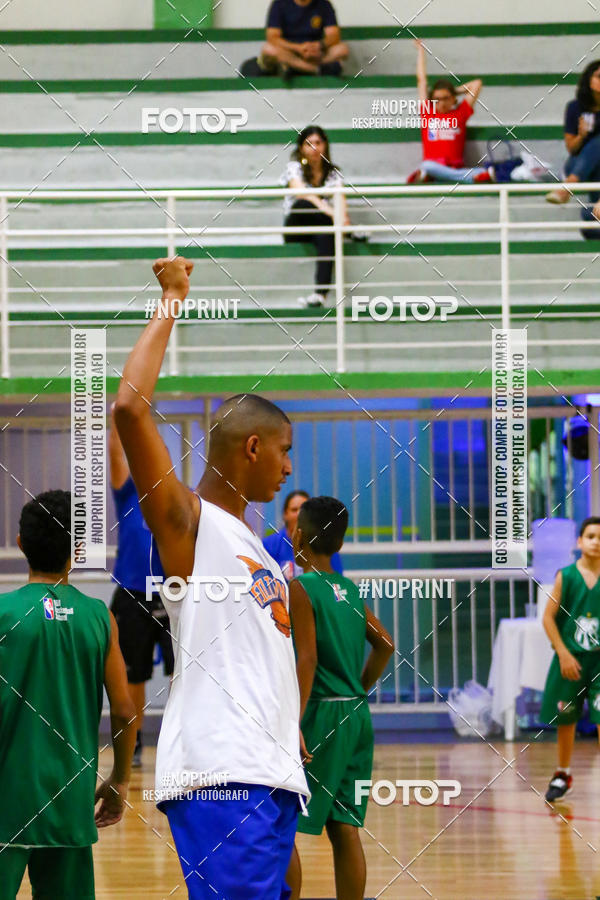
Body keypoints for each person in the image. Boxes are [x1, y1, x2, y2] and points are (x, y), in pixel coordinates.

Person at [113, 256, 310, 900]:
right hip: (226, 777)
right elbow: (130, 412)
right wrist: (172, 297)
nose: (288, 469)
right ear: (253, 447)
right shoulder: (190, 525)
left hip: (269, 773)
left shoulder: (252, 540)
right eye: (284, 451)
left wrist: (289, 738)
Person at [0, 490, 136, 900]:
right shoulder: (99, 616)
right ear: (76, 549)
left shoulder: (4, 613)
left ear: (22, 544)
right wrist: (120, 780)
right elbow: (126, 710)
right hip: (69, 800)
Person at [285, 496, 394, 900]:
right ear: (341, 545)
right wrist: (357, 691)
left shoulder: (301, 587)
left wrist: (293, 721)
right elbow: (385, 644)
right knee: (345, 827)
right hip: (356, 716)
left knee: (283, 822)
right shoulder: (347, 588)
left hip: (322, 717)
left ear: (297, 535)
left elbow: (307, 659)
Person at [109, 409, 174, 768]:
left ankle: (184, 742)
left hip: (172, 592)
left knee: (183, 671)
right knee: (133, 674)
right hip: (132, 592)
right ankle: (133, 744)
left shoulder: (175, 494)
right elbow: (118, 452)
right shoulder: (127, 492)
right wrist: (119, 415)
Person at [541, 516, 600, 803]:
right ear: (579, 541)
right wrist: (563, 653)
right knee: (567, 718)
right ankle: (563, 774)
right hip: (572, 660)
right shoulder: (566, 576)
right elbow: (548, 618)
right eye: (591, 536)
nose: (596, 541)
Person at [281, 125, 365, 308]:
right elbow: (303, 194)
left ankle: (320, 294)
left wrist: (342, 218)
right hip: (297, 226)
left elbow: (341, 201)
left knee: (327, 232)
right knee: (304, 204)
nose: (314, 148)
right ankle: (349, 232)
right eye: (309, 144)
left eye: (318, 143)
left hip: (321, 225)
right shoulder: (294, 167)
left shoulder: (333, 173)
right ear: (301, 148)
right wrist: (334, 214)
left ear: (325, 145)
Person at [408, 39, 493, 185]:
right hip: (433, 165)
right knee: (427, 166)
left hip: (455, 166)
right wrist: (421, 52)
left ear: (453, 99)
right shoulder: (427, 112)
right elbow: (421, 81)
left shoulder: (460, 113)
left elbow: (476, 84)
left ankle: (437, 176)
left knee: (427, 169)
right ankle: (468, 177)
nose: (441, 103)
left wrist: (454, 91)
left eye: (446, 98)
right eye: (437, 99)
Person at [546, 59, 600, 214]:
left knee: (588, 219)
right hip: (577, 164)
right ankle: (572, 182)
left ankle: (567, 188)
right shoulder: (575, 107)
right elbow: (571, 148)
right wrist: (581, 136)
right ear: (589, 80)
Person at [264, 488, 343, 580]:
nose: (299, 514)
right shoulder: (268, 546)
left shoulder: (326, 545)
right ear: (285, 514)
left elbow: (337, 583)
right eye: (294, 510)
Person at [259, 0, 348, 78]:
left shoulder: (324, 4)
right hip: (290, 52)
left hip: (315, 53)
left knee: (342, 49)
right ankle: (317, 70)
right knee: (268, 49)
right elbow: (272, 37)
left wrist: (319, 46)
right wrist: (298, 48)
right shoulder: (279, 4)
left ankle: (296, 68)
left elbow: (334, 35)